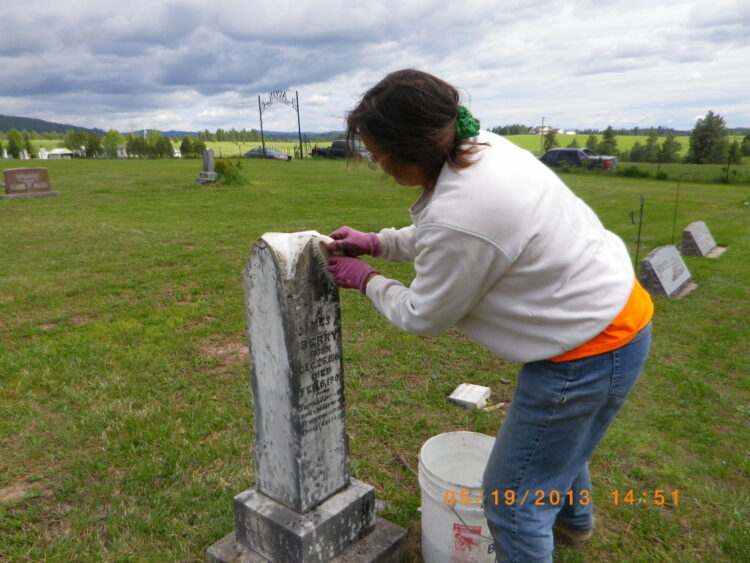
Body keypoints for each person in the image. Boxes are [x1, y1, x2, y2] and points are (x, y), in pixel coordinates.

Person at [325, 69, 653, 563]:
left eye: (377, 155)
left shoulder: (465, 210)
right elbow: (449, 237)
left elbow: (424, 313)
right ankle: (575, 522)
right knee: (559, 444)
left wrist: (365, 277)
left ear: (410, 152)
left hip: (586, 351)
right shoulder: (480, 149)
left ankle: (549, 527)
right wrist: (378, 242)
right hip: (615, 320)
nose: (377, 164)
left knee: (513, 502)